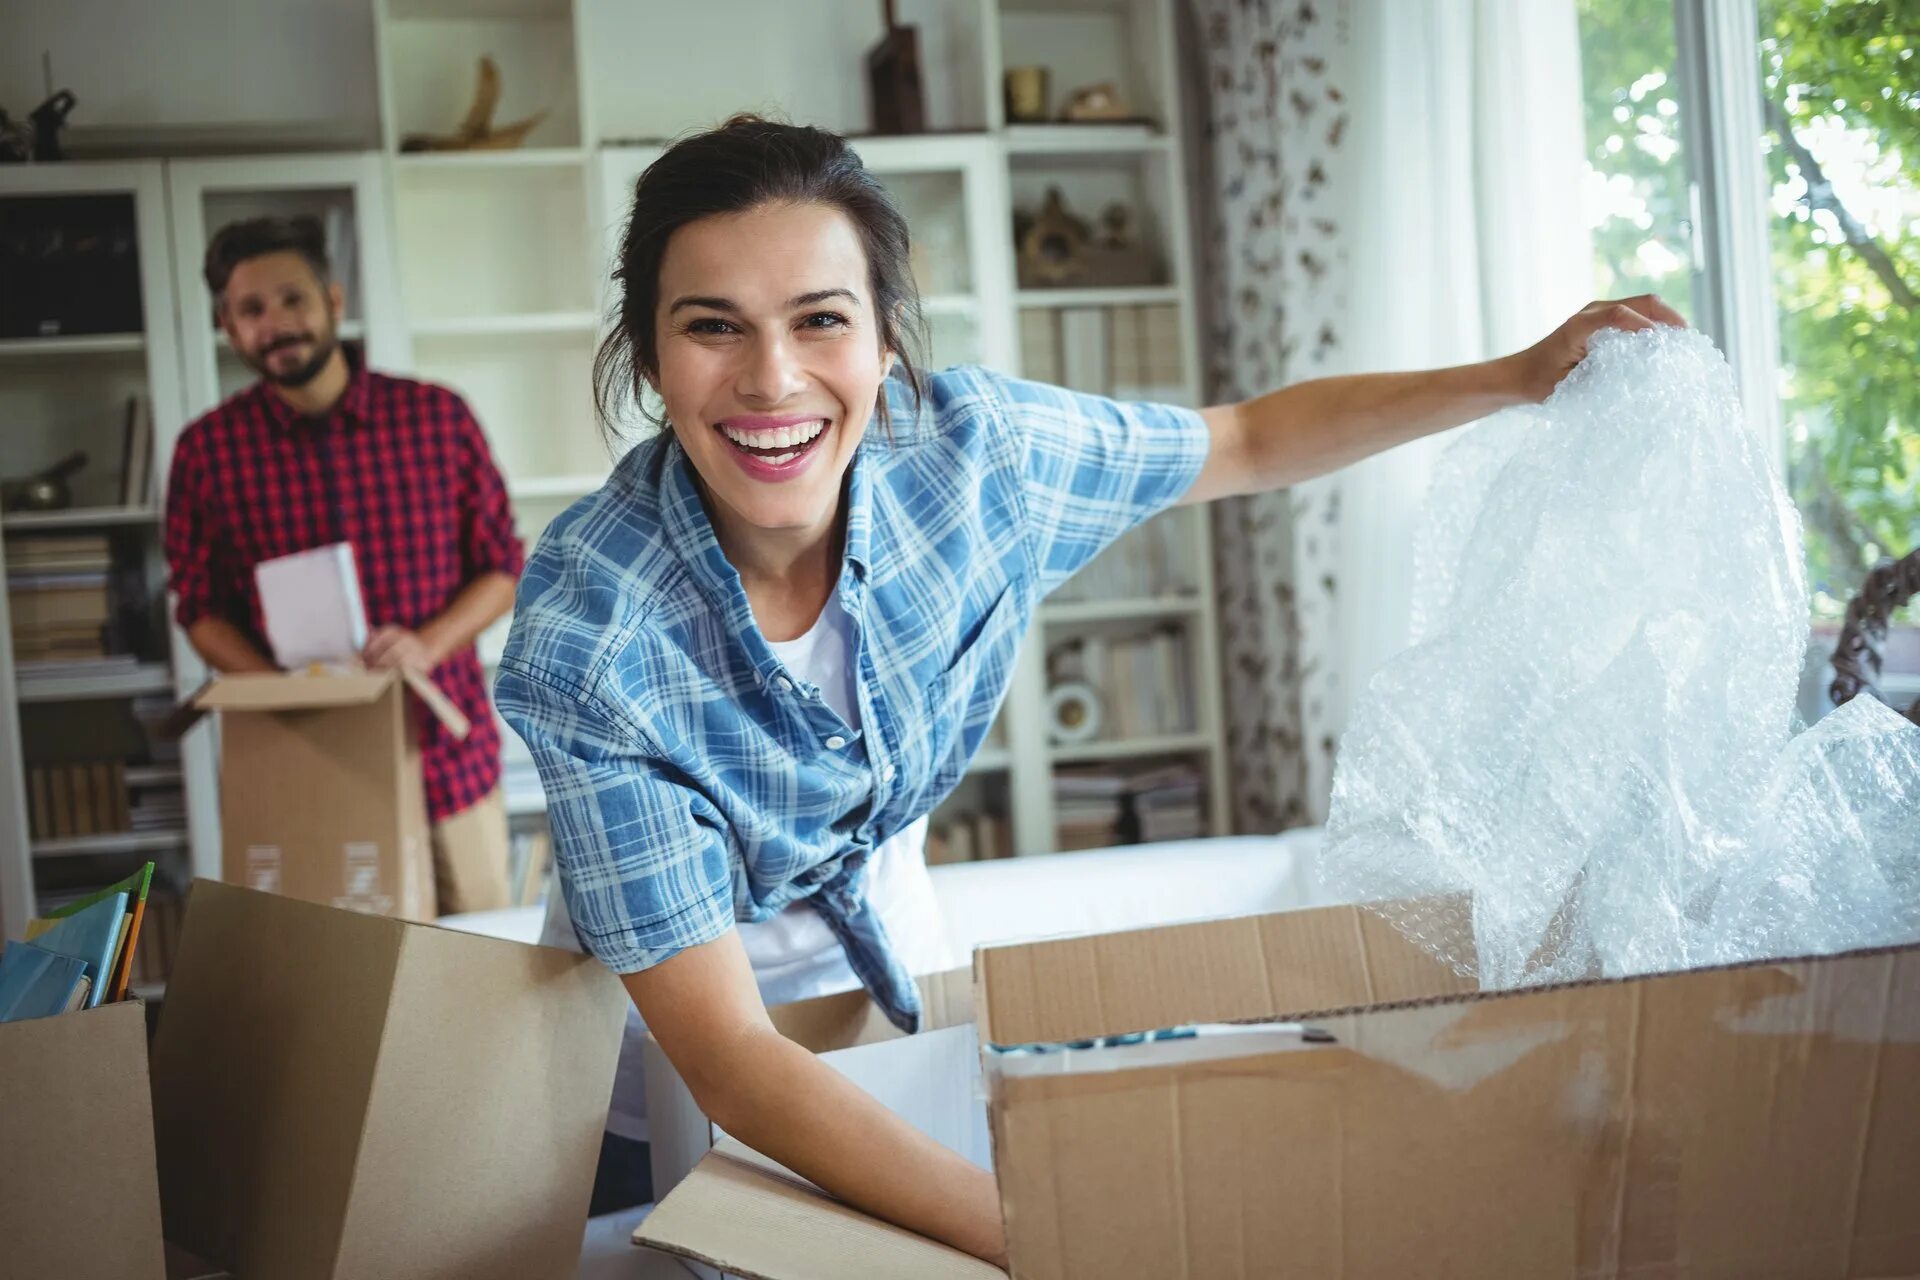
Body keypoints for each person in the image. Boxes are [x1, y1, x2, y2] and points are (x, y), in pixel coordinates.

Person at [495, 115, 1686, 1264]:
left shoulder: (980, 462)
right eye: (714, 327)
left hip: (892, 983)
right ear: (649, 357)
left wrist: (1519, 374)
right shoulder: (592, 639)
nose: (773, 379)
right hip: (678, 1060)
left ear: (884, 341)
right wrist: (1062, 1228)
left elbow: (1246, 442)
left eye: (821, 320)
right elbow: (733, 1060)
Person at [165, 215, 525, 918]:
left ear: (332, 300)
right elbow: (199, 609)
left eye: (292, 299)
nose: (276, 324)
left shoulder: (437, 418)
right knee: (348, 990)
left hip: (449, 764)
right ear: (229, 328)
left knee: (481, 969)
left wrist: (426, 643)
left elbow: (503, 568)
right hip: (308, 773)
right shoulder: (206, 453)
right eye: (251, 310)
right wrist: (280, 693)